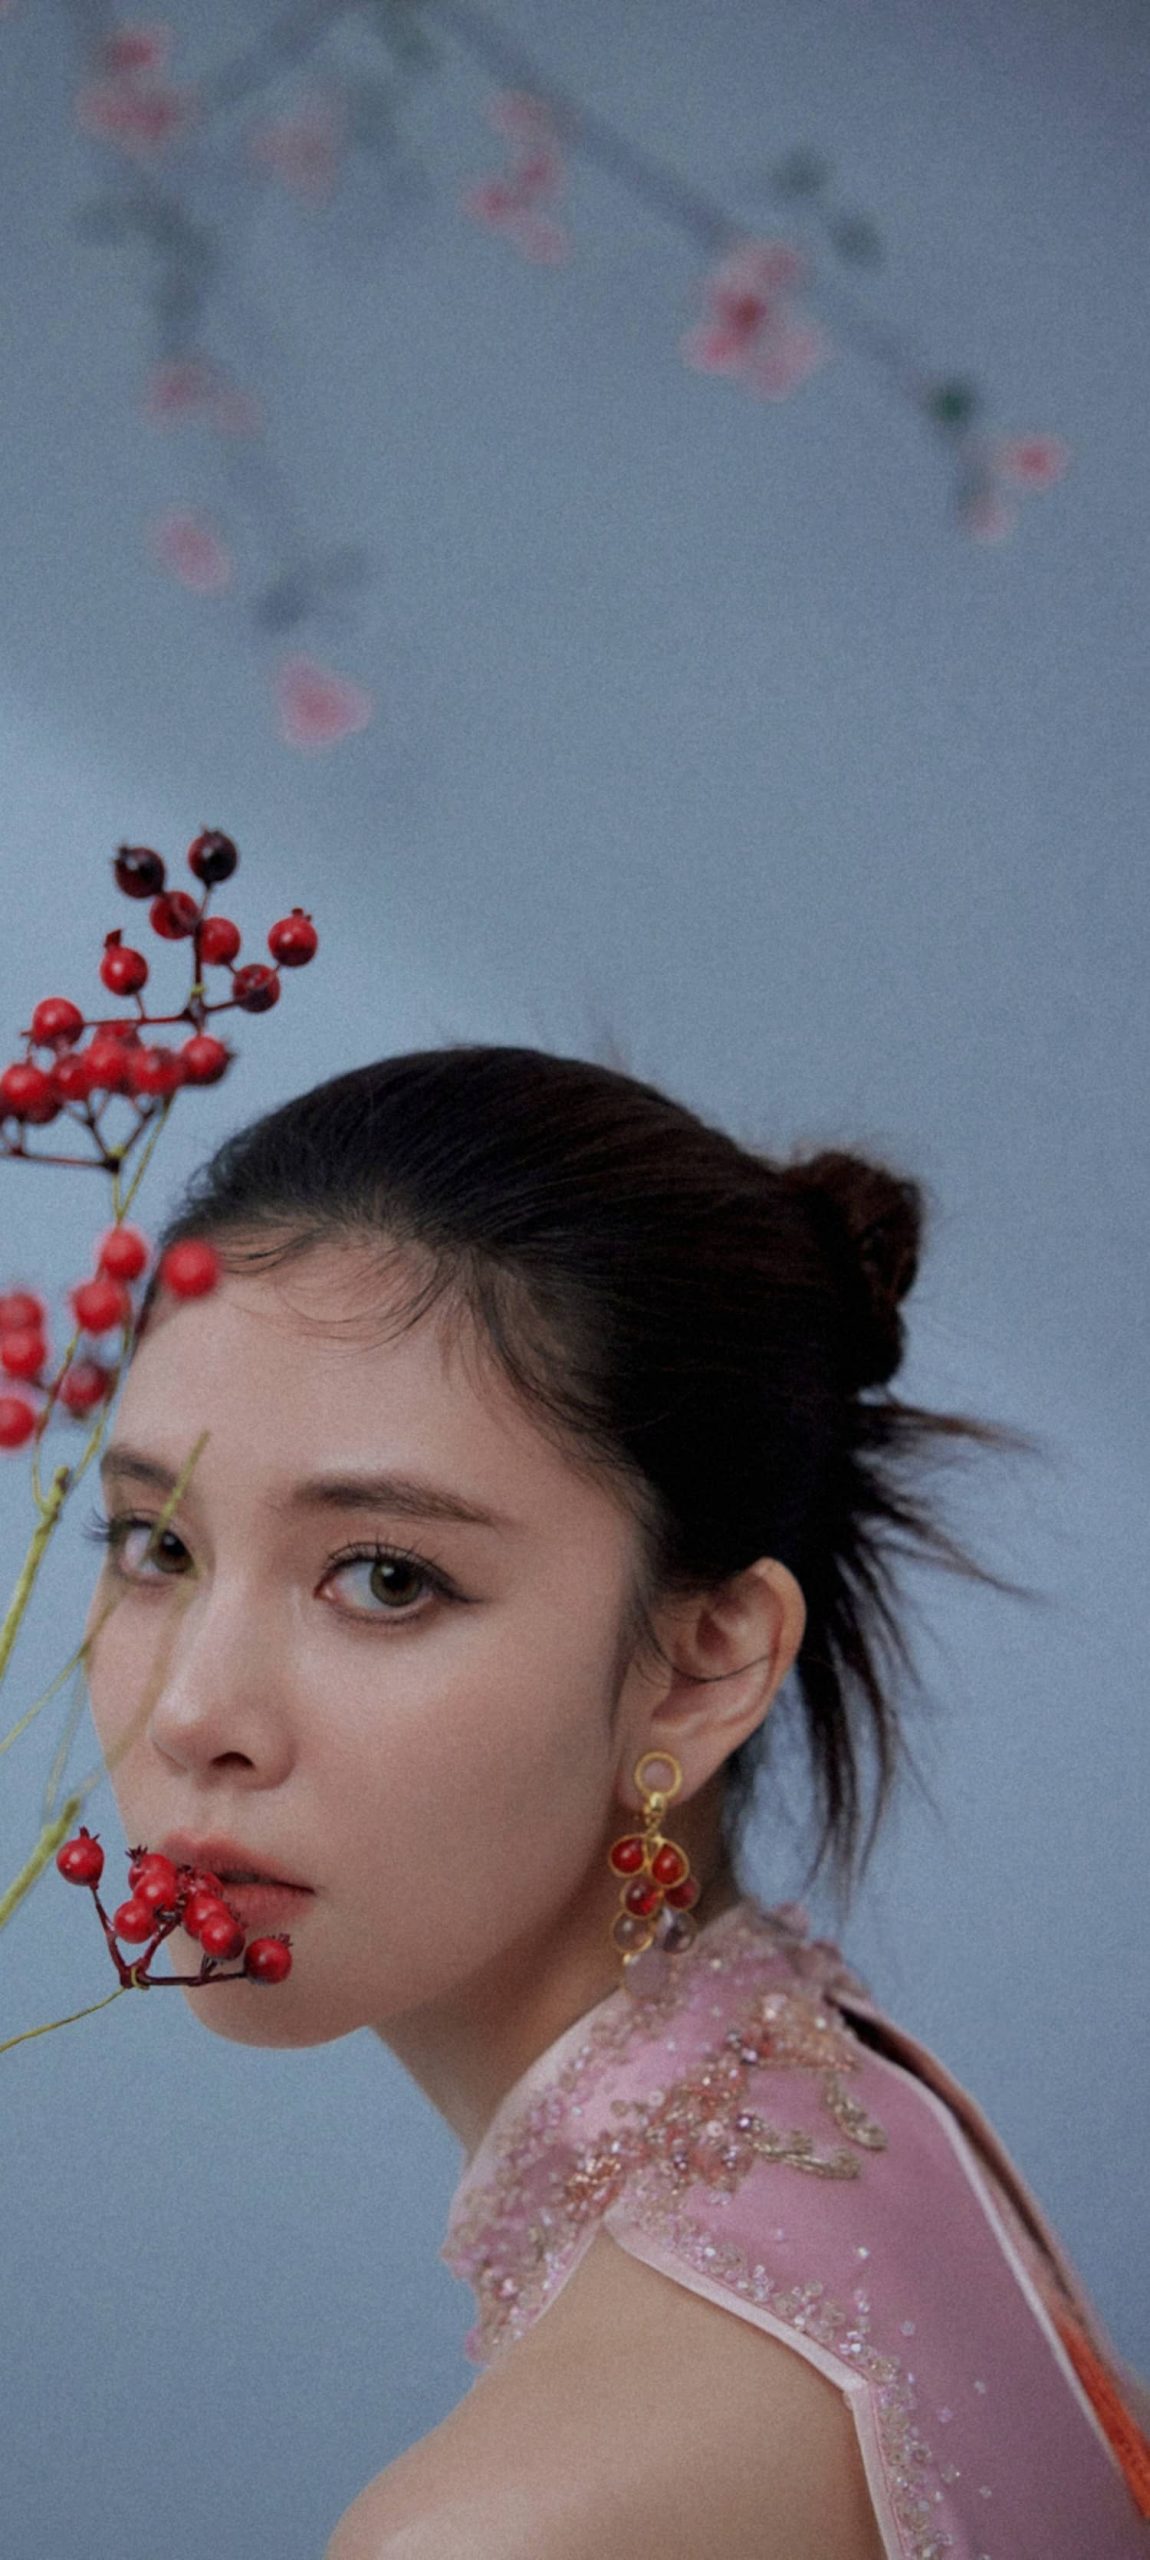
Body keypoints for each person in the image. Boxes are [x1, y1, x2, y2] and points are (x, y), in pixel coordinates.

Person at [83, 1044, 1150, 2559]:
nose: (195, 1714)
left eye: (385, 1578)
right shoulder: (874, 2116)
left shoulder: (507, 2530)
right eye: (156, 1545)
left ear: (703, 1667)